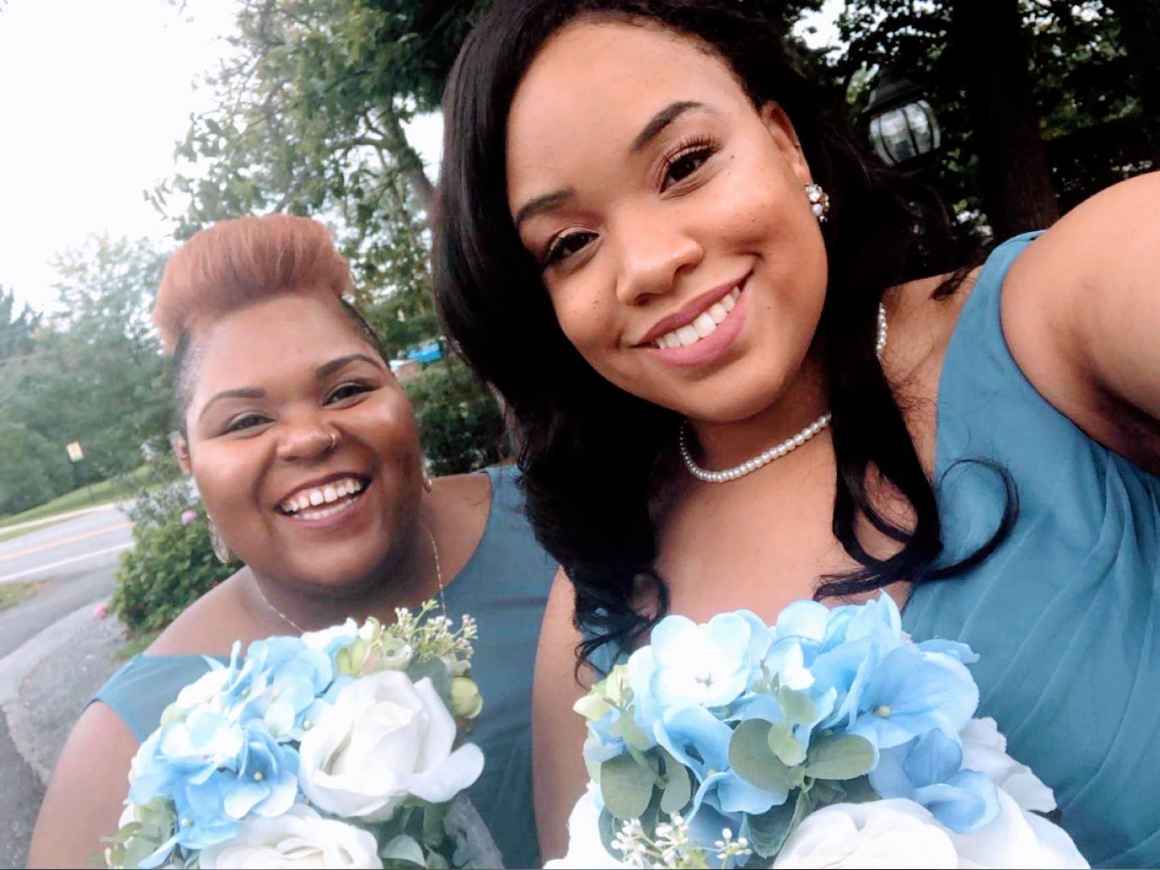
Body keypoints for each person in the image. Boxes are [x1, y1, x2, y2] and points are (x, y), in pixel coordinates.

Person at [432, 0, 1160, 864]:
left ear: (783, 142)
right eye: (571, 243)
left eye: (686, 163)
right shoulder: (596, 598)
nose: (650, 262)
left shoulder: (1058, 318)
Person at [28, 214, 555, 869]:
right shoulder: (126, 743)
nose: (309, 438)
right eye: (245, 421)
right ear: (188, 463)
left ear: (401, 394)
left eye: (348, 389)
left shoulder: (565, 521)